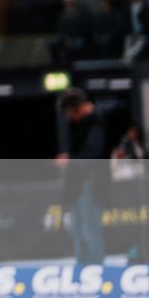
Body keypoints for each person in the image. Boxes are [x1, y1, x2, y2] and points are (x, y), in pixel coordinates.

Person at [57, 89, 107, 268]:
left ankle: (96, 269)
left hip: (90, 183)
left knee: (90, 229)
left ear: (76, 109)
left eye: (69, 113)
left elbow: (92, 154)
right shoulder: (78, 126)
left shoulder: (96, 124)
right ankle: (82, 267)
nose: (69, 117)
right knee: (77, 230)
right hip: (76, 184)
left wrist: (70, 161)